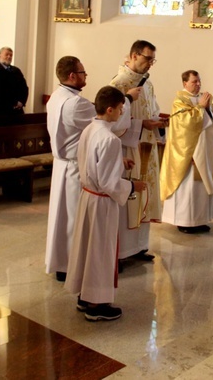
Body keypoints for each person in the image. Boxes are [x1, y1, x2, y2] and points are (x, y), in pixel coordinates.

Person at [45, 56, 141, 282]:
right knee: (73, 219)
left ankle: (61, 262)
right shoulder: (75, 104)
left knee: (63, 217)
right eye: (82, 72)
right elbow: (107, 122)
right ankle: (70, 265)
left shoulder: (56, 96)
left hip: (63, 165)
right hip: (75, 167)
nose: (85, 76)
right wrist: (127, 100)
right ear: (72, 76)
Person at [64, 86, 146, 321]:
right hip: (102, 203)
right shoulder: (110, 139)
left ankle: (84, 296)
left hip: (88, 197)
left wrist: (119, 162)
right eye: (120, 109)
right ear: (109, 110)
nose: (122, 113)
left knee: (87, 248)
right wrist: (132, 186)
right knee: (101, 252)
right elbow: (109, 183)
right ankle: (97, 305)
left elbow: (93, 162)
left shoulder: (90, 129)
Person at [110, 40, 167, 261]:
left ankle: (139, 246)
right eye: (147, 59)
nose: (150, 64)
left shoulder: (148, 84)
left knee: (146, 193)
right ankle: (122, 251)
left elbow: (153, 108)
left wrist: (156, 123)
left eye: (153, 60)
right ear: (134, 55)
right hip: (128, 149)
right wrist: (140, 124)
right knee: (130, 195)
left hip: (147, 147)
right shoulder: (119, 84)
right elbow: (111, 121)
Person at [160, 70, 213, 233]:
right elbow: (184, 125)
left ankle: (200, 219)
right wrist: (201, 108)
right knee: (188, 189)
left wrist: (210, 108)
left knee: (202, 189)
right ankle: (184, 221)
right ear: (185, 84)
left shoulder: (204, 97)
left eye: (199, 81)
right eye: (194, 82)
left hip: (205, 152)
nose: (198, 84)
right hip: (188, 153)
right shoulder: (180, 100)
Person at [0, 47, 29, 114]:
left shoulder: (16, 71)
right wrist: (14, 102)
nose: (9, 57)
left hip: (17, 110)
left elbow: (24, 88)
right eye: (7, 54)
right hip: (0, 110)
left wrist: (21, 101)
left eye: (11, 55)